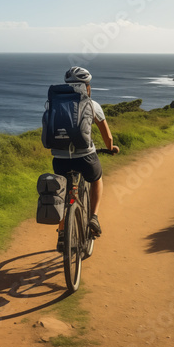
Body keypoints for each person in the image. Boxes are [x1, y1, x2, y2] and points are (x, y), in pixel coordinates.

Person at [52, 66, 119, 249]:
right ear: (86, 87)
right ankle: (94, 218)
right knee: (96, 179)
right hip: (86, 157)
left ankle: (62, 234)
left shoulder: (53, 103)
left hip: (60, 158)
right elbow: (107, 135)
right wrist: (111, 148)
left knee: (63, 195)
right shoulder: (92, 105)